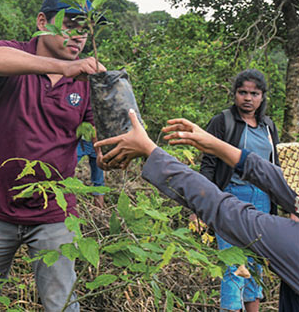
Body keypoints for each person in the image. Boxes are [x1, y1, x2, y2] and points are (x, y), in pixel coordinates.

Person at [0, 0, 106, 312]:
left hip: (54, 214)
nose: (79, 36)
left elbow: (102, 139)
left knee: (62, 305)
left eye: (85, 29)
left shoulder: (86, 81)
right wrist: (62, 67)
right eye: (70, 25)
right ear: (42, 22)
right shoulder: (14, 56)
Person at [95, 110, 299, 311]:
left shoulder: (291, 242)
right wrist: (214, 144)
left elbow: (221, 208)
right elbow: (275, 179)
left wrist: (151, 151)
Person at [199, 69, 279, 311]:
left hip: (262, 202)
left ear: (262, 97)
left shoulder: (267, 126)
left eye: (254, 93)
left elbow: (275, 165)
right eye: (242, 92)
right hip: (231, 198)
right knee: (233, 264)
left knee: (255, 264)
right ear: (234, 94)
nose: (248, 98)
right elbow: (208, 164)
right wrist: (202, 204)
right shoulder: (222, 122)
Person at [77, 139, 105, 207]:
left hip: (99, 141)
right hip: (82, 141)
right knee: (65, 172)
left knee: (99, 181)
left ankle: (99, 211)